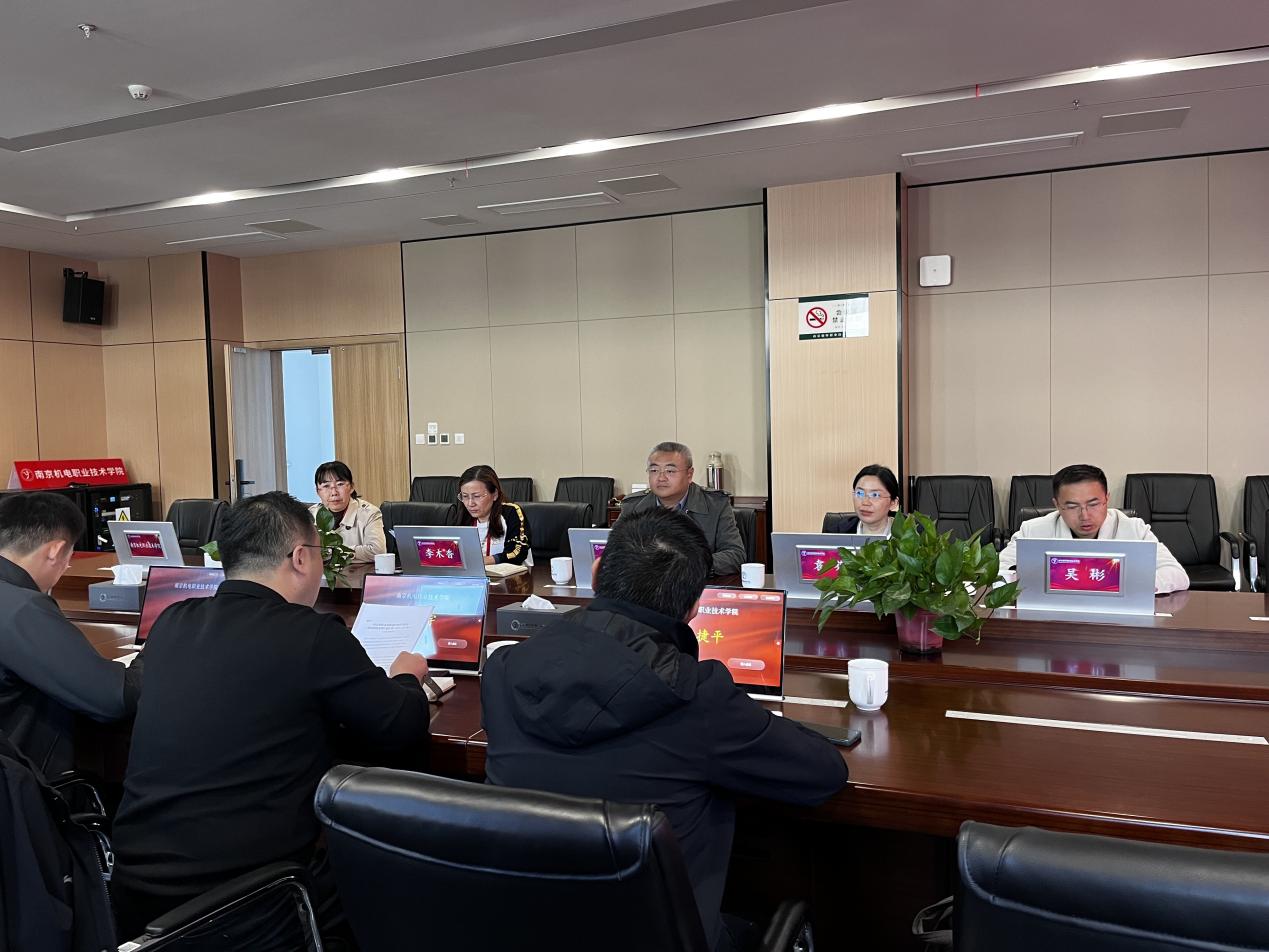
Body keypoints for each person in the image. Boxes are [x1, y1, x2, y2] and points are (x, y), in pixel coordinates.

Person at [481, 507, 849, 952]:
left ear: (595, 573)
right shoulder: (696, 696)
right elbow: (824, 774)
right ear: (695, 607)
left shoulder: (502, 669)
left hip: (523, 927)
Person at [111, 491, 432, 942]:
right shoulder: (311, 633)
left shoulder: (172, 621)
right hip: (248, 905)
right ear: (300, 557)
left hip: (134, 898)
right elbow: (399, 726)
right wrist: (407, 678)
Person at [0, 492, 141, 780]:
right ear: (56, 550)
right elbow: (114, 698)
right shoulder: (21, 608)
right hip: (25, 787)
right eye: (69, 557)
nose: (66, 567)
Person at [998, 464, 1190, 594]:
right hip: (1053, 616)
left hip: (1116, 616)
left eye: (1094, 504)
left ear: (1107, 499)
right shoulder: (1033, 530)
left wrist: (1122, 584)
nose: (1085, 515)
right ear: (1057, 505)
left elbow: (1177, 574)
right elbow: (998, 571)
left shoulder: (1134, 529)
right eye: (1072, 506)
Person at [618, 441, 746, 576]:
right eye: (654, 470)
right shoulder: (633, 507)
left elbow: (735, 554)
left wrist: (689, 565)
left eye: (670, 471)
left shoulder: (716, 505)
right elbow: (614, 551)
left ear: (689, 475)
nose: (661, 478)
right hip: (646, 585)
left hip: (697, 585)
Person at [308, 459, 385, 563]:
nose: (334, 492)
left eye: (340, 484)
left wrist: (331, 552)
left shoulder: (369, 513)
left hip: (359, 571)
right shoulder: (311, 515)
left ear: (351, 487)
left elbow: (378, 551)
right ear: (318, 491)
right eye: (326, 486)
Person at [456, 464, 531, 565]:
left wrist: (483, 561)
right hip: (476, 573)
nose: (470, 503)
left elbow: (518, 552)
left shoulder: (511, 512)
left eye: (477, 496)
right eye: (465, 496)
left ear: (495, 494)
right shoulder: (463, 515)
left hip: (512, 573)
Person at [823, 464, 901, 535]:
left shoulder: (906, 533)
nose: (865, 502)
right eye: (860, 493)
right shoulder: (836, 531)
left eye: (875, 495)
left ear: (893, 503)